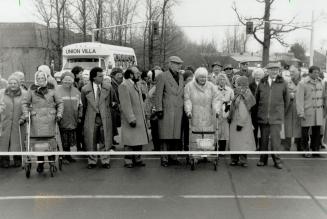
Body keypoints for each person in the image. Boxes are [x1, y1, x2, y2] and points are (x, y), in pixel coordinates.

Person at [22, 70, 64, 173]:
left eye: (42, 78)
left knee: (51, 140)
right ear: (36, 79)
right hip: (36, 120)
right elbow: (25, 103)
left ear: (46, 78)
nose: (40, 80)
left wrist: (59, 114)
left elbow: (60, 102)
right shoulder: (31, 89)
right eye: (38, 78)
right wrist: (26, 114)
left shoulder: (52, 88)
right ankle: (40, 164)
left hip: (50, 119)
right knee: (38, 142)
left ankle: (51, 162)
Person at [256, 63, 290, 169]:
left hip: (276, 118)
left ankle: (277, 160)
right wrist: (260, 112)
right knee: (263, 140)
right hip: (263, 117)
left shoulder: (283, 83)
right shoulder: (262, 82)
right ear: (267, 71)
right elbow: (257, 99)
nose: (274, 72)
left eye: (276, 70)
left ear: (278, 71)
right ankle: (263, 159)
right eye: (272, 69)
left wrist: (280, 112)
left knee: (276, 141)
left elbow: (287, 101)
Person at [184, 67, 220, 164]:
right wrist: (188, 111)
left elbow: (216, 99)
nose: (203, 79)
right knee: (196, 134)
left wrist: (216, 109)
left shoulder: (212, 86)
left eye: (204, 77)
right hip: (195, 114)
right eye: (201, 77)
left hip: (208, 114)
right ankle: (196, 156)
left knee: (208, 134)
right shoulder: (189, 86)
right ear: (196, 77)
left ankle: (207, 154)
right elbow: (187, 100)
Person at [155, 56, 184, 167]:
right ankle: (165, 158)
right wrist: (159, 109)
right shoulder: (162, 76)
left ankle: (173, 157)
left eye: (180, 64)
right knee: (165, 136)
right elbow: (158, 94)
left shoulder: (181, 77)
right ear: (171, 64)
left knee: (176, 136)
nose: (179, 66)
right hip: (167, 110)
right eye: (177, 64)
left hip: (178, 110)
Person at [81, 67, 112, 169]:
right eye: (100, 76)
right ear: (94, 77)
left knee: (105, 139)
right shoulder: (85, 89)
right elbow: (84, 106)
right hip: (91, 118)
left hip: (105, 117)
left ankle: (105, 160)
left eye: (102, 75)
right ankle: (92, 161)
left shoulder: (108, 87)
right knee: (91, 139)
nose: (102, 77)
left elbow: (111, 103)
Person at [119, 67, 150, 168]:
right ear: (131, 75)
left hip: (140, 118)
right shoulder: (124, 86)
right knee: (129, 141)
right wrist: (131, 118)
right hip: (132, 119)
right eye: (137, 73)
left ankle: (137, 159)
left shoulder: (136, 84)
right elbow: (125, 104)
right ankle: (128, 161)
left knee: (138, 140)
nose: (139, 75)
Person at [297, 66, 325, 158]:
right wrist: (301, 112)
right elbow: (299, 99)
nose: (317, 74)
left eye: (318, 72)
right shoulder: (302, 83)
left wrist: (324, 110)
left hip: (318, 111)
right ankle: (305, 150)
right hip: (307, 111)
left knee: (317, 132)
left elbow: (324, 97)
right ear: (310, 73)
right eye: (315, 72)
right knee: (305, 132)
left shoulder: (321, 82)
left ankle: (315, 150)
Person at [228, 76, 256, 167]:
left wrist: (240, 124)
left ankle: (238, 160)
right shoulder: (244, 93)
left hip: (240, 123)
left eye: (236, 83)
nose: (235, 84)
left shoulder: (242, 95)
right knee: (240, 142)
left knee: (240, 142)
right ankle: (238, 159)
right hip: (241, 123)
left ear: (240, 84)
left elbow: (243, 111)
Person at [0, 75, 27, 168]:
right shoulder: (2, 93)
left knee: (17, 141)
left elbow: (27, 107)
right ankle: (4, 160)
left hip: (18, 122)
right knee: (3, 141)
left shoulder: (24, 94)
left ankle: (17, 159)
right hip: (4, 121)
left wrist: (23, 118)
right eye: (10, 83)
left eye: (15, 83)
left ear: (19, 84)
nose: (12, 85)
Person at [56, 72, 83, 164]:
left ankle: (68, 156)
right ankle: (63, 157)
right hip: (61, 120)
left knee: (70, 140)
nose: (67, 81)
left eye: (70, 79)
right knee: (63, 140)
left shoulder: (76, 91)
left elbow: (80, 105)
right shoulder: (57, 90)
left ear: (72, 80)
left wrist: (80, 116)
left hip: (73, 119)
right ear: (62, 80)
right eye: (66, 79)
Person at [282, 67, 302, 151]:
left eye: (293, 71)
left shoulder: (303, 83)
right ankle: (287, 146)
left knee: (300, 129)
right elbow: (283, 95)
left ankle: (300, 146)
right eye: (290, 72)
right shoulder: (286, 83)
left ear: (298, 72)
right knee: (288, 128)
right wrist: (289, 96)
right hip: (289, 109)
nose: (291, 73)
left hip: (300, 109)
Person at [145, 68, 163, 151]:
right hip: (153, 113)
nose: (149, 79)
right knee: (155, 132)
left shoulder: (158, 87)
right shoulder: (155, 86)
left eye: (150, 77)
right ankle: (157, 147)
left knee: (157, 132)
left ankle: (158, 148)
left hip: (156, 113)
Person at [216, 73, 234, 154]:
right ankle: (215, 149)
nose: (222, 81)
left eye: (223, 79)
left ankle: (222, 150)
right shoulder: (214, 89)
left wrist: (228, 105)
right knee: (216, 131)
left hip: (226, 113)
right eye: (220, 79)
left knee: (224, 132)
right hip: (216, 113)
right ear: (218, 81)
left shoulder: (230, 90)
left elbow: (233, 101)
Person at [249, 68, 265, 150]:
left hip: (262, 110)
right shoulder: (250, 85)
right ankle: (254, 146)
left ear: (262, 76)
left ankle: (262, 147)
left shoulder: (265, 85)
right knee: (254, 129)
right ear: (254, 75)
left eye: (259, 75)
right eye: (256, 74)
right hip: (253, 110)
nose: (258, 76)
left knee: (263, 130)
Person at [110, 67, 124, 148]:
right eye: (118, 75)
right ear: (114, 76)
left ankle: (112, 140)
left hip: (116, 107)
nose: (121, 77)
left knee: (114, 125)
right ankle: (110, 142)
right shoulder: (111, 84)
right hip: (113, 108)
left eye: (121, 75)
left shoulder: (117, 83)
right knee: (111, 125)